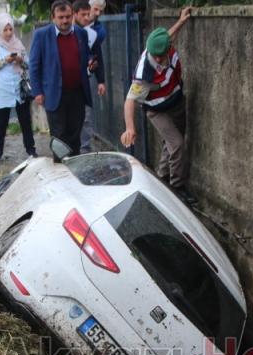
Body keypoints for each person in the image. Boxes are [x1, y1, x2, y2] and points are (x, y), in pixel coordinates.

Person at [121, 7, 195, 204]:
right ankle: (178, 187)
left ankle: (162, 180)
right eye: (157, 57)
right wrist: (130, 127)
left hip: (176, 101)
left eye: (162, 56)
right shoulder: (144, 72)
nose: (160, 60)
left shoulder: (165, 46)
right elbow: (130, 100)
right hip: (157, 110)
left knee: (171, 144)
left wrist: (181, 20)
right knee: (177, 144)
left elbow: (168, 35)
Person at [29, 0, 94, 156]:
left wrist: (91, 62)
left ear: (72, 15)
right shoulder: (42, 35)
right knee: (59, 136)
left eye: (68, 16)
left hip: (77, 93)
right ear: (53, 17)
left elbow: (85, 56)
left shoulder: (81, 33)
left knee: (75, 134)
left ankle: (74, 169)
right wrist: (37, 91)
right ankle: (60, 169)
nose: (65, 21)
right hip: (53, 93)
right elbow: (34, 65)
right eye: (61, 17)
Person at [0, 13, 36, 162]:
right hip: (2, 89)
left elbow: (28, 64)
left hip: (19, 88)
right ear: (0, 30)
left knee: (25, 120)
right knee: (2, 123)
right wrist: (5, 60)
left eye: (10, 29)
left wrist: (20, 60)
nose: (8, 33)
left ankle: (31, 149)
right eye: (5, 30)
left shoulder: (18, 44)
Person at [78, 0, 107, 153]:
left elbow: (97, 55)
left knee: (86, 117)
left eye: (100, 11)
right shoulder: (70, 26)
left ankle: (85, 150)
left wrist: (101, 79)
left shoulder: (98, 31)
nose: (96, 14)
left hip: (86, 78)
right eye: (95, 9)